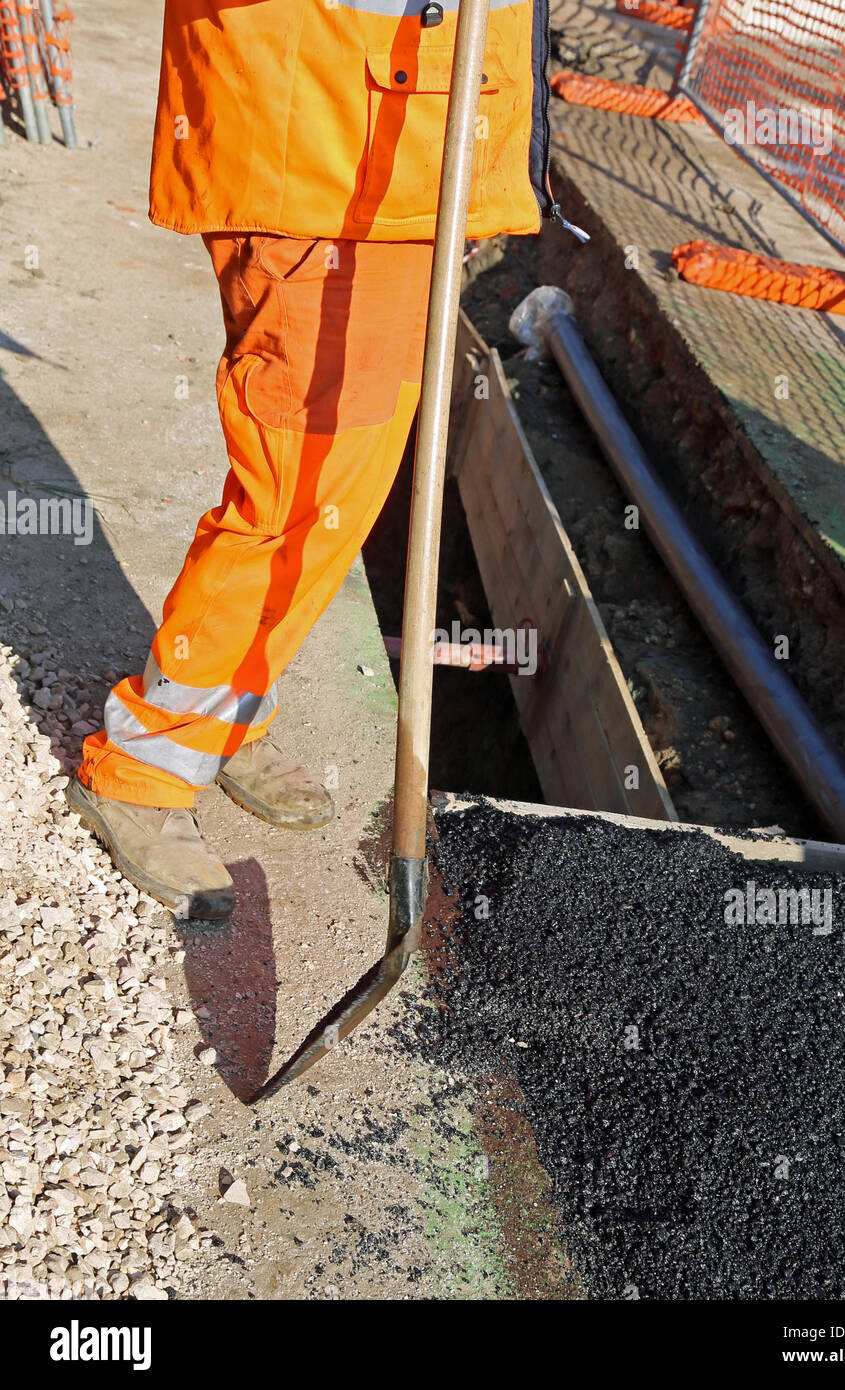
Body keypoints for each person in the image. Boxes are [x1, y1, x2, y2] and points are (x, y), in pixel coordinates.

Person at [67, 0, 559, 920]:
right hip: (336, 165)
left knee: (337, 494)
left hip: (394, 155)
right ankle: (148, 763)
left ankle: (225, 703)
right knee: (296, 494)